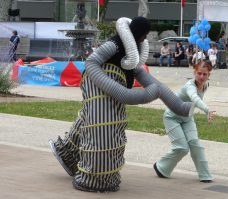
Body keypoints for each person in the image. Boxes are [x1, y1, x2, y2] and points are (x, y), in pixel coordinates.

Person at [49, 16, 194, 193]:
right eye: (144, 34)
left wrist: (181, 106)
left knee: (94, 118)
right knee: (104, 126)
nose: (145, 38)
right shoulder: (115, 45)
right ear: (138, 33)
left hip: (115, 83)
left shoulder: (133, 53)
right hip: (98, 81)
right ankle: (95, 178)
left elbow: (152, 83)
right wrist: (122, 90)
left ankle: (69, 154)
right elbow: (92, 62)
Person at [153, 60, 216, 183]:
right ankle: (161, 167)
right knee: (182, 148)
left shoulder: (205, 85)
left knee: (195, 144)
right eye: (199, 73)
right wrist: (207, 110)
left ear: (209, 75)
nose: (202, 77)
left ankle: (205, 175)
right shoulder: (189, 86)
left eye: (205, 74)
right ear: (194, 72)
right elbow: (195, 98)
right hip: (172, 117)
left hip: (187, 118)